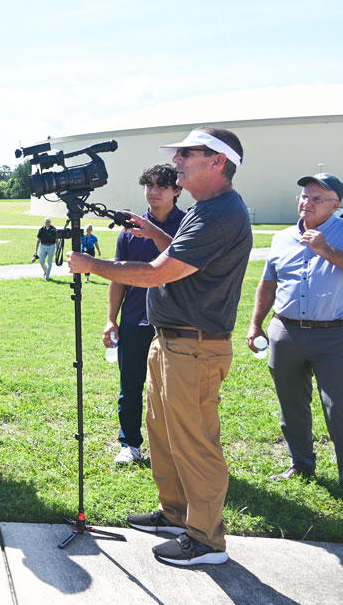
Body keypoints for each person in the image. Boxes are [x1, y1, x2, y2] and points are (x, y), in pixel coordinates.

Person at [68, 127, 251, 566]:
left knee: (196, 444)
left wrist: (91, 264)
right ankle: (174, 514)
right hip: (170, 342)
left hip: (194, 347)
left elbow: (159, 273)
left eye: (187, 154)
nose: (177, 161)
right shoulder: (205, 209)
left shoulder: (221, 213)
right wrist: (155, 234)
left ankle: (206, 540)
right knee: (165, 437)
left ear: (217, 162)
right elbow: (186, 259)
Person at [247, 172, 343, 488]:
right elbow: (268, 283)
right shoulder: (283, 237)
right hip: (285, 332)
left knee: (338, 408)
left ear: (335, 205)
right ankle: (301, 465)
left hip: (334, 335)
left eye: (317, 198)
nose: (307, 203)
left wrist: (327, 251)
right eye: (304, 196)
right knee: (291, 405)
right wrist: (256, 324)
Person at [104, 165, 185, 465]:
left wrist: (154, 234)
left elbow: (186, 262)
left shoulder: (188, 225)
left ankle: (174, 448)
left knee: (173, 390)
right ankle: (130, 445)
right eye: (149, 185)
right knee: (130, 386)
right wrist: (111, 319)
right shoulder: (130, 229)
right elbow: (118, 276)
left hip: (175, 323)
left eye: (162, 186)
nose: (154, 191)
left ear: (177, 190)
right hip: (135, 321)